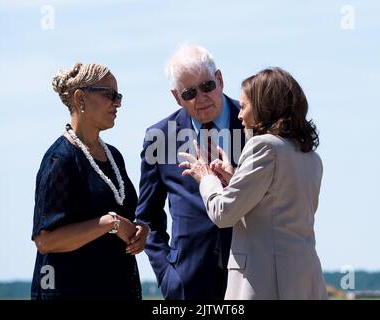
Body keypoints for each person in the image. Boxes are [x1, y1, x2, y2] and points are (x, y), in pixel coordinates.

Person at [180, 67, 328, 299]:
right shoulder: (310, 157)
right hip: (305, 279)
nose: (240, 115)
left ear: (265, 106)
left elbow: (223, 214)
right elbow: (275, 208)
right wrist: (234, 180)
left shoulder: (264, 146)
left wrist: (206, 178)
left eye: (245, 106)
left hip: (264, 282)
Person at [135, 44, 246, 300]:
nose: (201, 97)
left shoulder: (253, 123)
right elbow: (148, 216)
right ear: (177, 96)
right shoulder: (160, 137)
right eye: (190, 93)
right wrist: (167, 276)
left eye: (207, 86)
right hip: (187, 283)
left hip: (249, 276)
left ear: (219, 79)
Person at [31, 63, 149, 299]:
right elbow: (45, 240)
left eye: (119, 96)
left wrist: (140, 231)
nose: (117, 103)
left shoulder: (113, 156)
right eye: (110, 95)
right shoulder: (60, 159)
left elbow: (125, 215)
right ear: (80, 98)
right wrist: (110, 223)